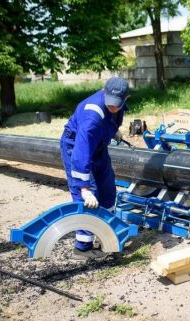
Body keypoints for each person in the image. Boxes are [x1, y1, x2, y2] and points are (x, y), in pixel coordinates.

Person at [60, 76, 129, 258]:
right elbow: (81, 154)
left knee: (107, 188)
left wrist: (113, 129)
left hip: (98, 144)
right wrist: (84, 188)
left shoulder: (115, 105)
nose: (113, 107)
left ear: (126, 99)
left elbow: (111, 116)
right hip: (75, 145)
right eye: (110, 103)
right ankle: (82, 248)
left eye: (117, 104)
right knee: (91, 196)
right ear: (103, 92)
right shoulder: (92, 117)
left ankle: (107, 237)